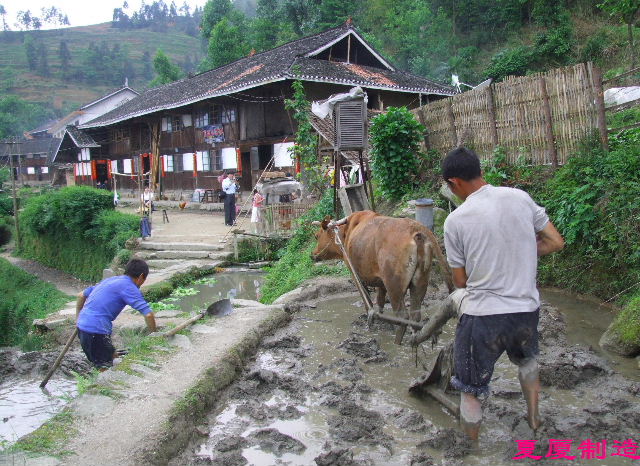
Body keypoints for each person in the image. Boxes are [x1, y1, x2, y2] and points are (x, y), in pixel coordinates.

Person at [442, 147, 564, 441]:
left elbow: (460, 281)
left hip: (483, 318)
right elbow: (556, 242)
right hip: (525, 310)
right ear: (479, 171)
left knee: (470, 390)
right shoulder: (519, 198)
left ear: (454, 182)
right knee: (527, 362)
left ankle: (471, 450)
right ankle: (534, 421)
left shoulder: (455, 221)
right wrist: (519, 252)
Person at [75, 259, 157, 370]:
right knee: (104, 367)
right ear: (141, 276)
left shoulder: (110, 280)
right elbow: (148, 315)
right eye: (144, 280)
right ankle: (103, 386)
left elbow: (81, 295)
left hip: (83, 326)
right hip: (97, 330)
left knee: (110, 356)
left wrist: (78, 318)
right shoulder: (129, 287)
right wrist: (154, 335)